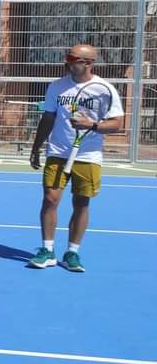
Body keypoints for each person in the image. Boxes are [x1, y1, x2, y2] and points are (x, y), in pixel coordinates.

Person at [27, 44, 124, 272]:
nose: (67, 61)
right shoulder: (57, 87)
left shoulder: (104, 89)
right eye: (68, 57)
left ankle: (72, 252)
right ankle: (47, 250)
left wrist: (93, 125)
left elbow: (117, 123)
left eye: (73, 58)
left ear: (88, 63)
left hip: (88, 155)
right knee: (50, 199)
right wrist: (36, 146)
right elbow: (48, 118)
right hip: (58, 152)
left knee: (81, 203)